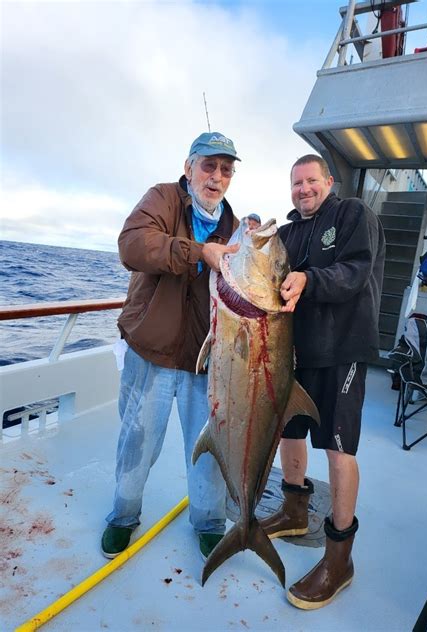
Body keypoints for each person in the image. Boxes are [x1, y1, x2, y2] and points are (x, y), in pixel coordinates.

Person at [101, 132, 241, 560]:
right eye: (209, 166)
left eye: (226, 170)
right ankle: (123, 517)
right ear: (189, 167)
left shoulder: (232, 227)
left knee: (209, 453)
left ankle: (210, 523)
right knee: (137, 442)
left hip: (204, 362)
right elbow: (133, 245)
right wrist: (200, 252)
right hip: (153, 354)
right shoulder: (162, 198)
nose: (216, 177)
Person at [260, 154, 385, 610]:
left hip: (343, 352)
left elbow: (355, 272)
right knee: (288, 431)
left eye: (311, 180)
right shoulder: (288, 233)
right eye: (296, 183)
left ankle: (339, 557)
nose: (303, 189)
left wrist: (309, 279)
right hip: (297, 353)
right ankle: (294, 509)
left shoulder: (353, 214)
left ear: (328, 181)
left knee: (337, 446)